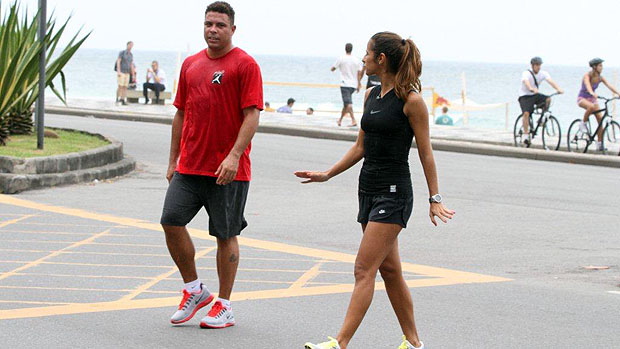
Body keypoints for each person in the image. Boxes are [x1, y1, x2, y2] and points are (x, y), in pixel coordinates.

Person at [298, 32, 455, 349]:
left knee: (363, 269)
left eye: (367, 54)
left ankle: (340, 343)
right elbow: (360, 147)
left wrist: (434, 198)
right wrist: (328, 173)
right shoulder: (370, 97)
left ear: (380, 60)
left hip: (394, 194)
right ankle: (414, 342)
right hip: (368, 190)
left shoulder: (412, 102)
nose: (364, 59)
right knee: (391, 271)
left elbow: (426, 152)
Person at [160, 1, 263, 329]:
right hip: (190, 166)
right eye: (208, 24)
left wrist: (234, 156)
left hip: (227, 171)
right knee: (170, 221)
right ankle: (194, 290)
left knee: (225, 235)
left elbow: (252, 115)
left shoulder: (245, 65)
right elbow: (180, 113)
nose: (213, 30)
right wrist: (173, 159)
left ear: (232, 29)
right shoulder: (191, 64)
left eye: (220, 25)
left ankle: (225, 305)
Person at [576, 58, 620, 151]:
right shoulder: (587, 76)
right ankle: (583, 123)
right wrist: (592, 92)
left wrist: (618, 93)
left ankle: (599, 144)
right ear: (594, 67)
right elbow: (588, 86)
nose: (602, 68)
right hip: (582, 98)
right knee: (591, 106)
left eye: (602, 66)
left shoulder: (600, 77)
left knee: (600, 121)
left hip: (593, 99)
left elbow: (609, 85)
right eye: (600, 66)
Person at [517, 56, 563, 144]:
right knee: (526, 113)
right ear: (532, 65)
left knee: (548, 99)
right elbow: (525, 81)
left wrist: (558, 89)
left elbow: (550, 81)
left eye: (539, 65)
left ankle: (541, 120)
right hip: (524, 96)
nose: (538, 67)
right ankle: (525, 135)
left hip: (534, 95)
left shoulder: (543, 73)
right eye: (537, 65)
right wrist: (530, 88)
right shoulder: (526, 73)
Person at [332, 43, 362, 127]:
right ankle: (340, 120)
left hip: (344, 84)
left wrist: (333, 68)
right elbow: (359, 72)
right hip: (353, 85)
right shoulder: (356, 59)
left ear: (345, 48)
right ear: (351, 49)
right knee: (346, 103)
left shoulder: (341, 58)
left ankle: (353, 120)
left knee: (348, 103)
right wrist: (359, 84)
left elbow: (333, 68)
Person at [116, 41, 134, 105]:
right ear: (127, 45)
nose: (131, 46)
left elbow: (131, 64)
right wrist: (118, 71)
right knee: (120, 86)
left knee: (125, 86)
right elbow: (118, 61)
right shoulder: (122, 53)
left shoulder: (131, 54)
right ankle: (117, 98)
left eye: (132, 45)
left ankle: (123, 99)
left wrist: (133, 74)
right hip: (122, 71)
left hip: (127, 72)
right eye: (130, 45)